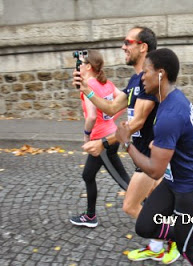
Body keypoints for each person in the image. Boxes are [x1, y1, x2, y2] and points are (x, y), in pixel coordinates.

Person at [74, 26, 180, 264]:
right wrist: (87, 90)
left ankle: (181, 240)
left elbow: (138, 121)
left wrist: (103, 142)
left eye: (127, 42)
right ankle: (158, 245)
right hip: (147, 154)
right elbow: (112, 108)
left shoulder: (149, 79)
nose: (123, 46)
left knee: (131, 206)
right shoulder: (135, 79)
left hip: (153, 156)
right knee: (154, 204)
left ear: (142, 47)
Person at [115, 48, 193, 265]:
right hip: (173, 183)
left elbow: (155, 170)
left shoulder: (170, 113)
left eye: (146, 72)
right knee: (144, 226)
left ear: (160, 73)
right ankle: (189, 235)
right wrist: (171, 144)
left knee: (187, 248)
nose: (142, 77)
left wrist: (126, 142)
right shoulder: (174, 97)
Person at [69, 50, 130, 228]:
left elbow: (92, 117)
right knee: (88, 175)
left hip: (102, 141)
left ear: (88, 66)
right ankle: (90, 216)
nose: (78, 66)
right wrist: (110, 118)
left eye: (80, 63)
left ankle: (153, 208)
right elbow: (122, 102)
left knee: (123, 180)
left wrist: (86, 136)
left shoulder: (88, 86)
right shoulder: (107, 83)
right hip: (109, 136)